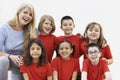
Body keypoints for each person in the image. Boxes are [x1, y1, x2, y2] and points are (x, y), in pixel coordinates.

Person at [0, 3, 36, 80]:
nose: (27, 16)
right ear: (18, 13)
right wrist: (11, 56)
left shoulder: (32, 30)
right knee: (3, 60)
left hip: (21, 63)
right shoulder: (5, 28)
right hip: (8, 59)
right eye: (25, 12)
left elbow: (44, 29)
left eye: (30, 14)